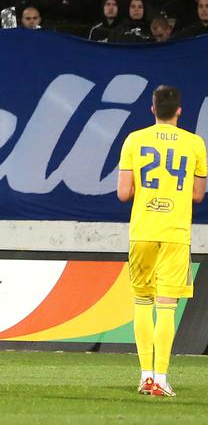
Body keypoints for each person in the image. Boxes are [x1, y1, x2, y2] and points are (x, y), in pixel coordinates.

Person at [117, 85, 207, 397]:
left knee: (142, 302)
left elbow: (123, 193)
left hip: (142, 230)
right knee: (167, 307)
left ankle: (144, 375)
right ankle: (161, 376)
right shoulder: (195, 143)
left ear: (152, 109)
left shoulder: (134, 140)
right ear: (179, 111)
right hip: (175, 234)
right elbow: (197, 195)